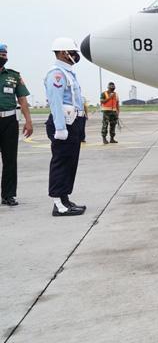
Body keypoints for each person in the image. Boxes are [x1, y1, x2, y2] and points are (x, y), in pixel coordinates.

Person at [45, 37, 87, 217]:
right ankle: (58, 203)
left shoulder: (68, 73)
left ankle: (65, 198)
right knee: (61, 162)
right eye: (73, 52)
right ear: (64, 53)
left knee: (70, 163)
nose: (76, 55)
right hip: (63, 124)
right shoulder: (57, 74)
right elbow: (55, 102)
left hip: (73, 122)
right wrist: (60, 128)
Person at [0, 44, 33, 206]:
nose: (3, 57)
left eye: (5, 55)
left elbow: (22, 100)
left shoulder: (13, 76)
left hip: (9, 121)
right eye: (1, 54)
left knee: (10, 160)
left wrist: (28, 121)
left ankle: (8, 195)